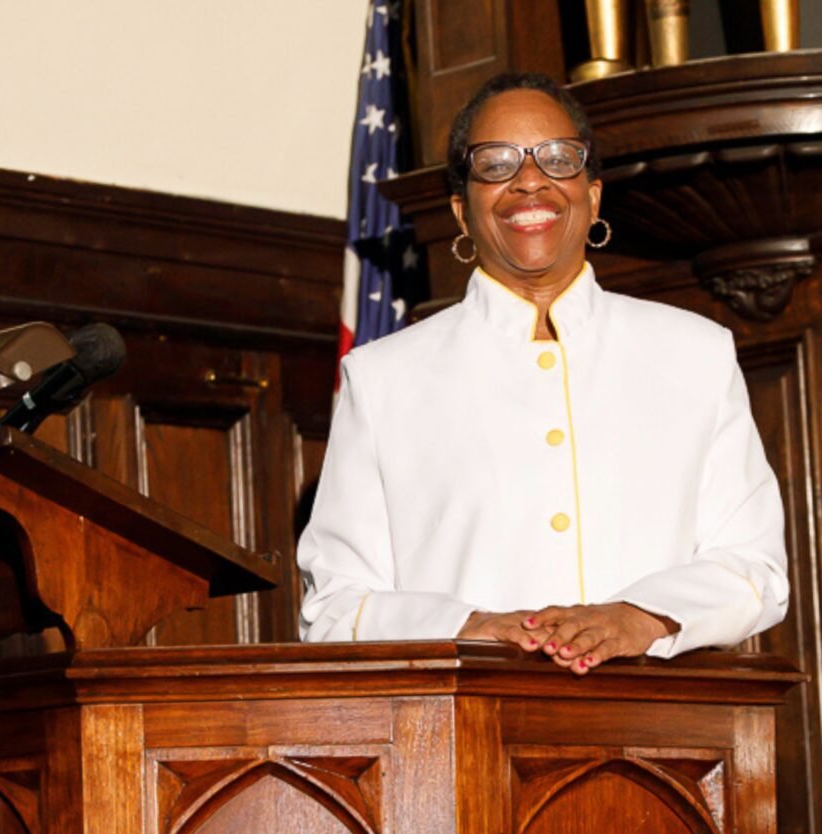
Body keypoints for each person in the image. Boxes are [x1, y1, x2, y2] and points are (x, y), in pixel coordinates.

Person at [298, 72, 788, 674]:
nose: (530, 180)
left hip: (659, 716)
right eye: (496, 164)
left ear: (594, 196)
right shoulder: (383, 379)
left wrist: (640, 617)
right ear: (461, 210)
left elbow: (756, 568)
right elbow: (332, 606)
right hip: (467, 716)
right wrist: (468, 627)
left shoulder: (695, 353)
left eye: (558, 159)